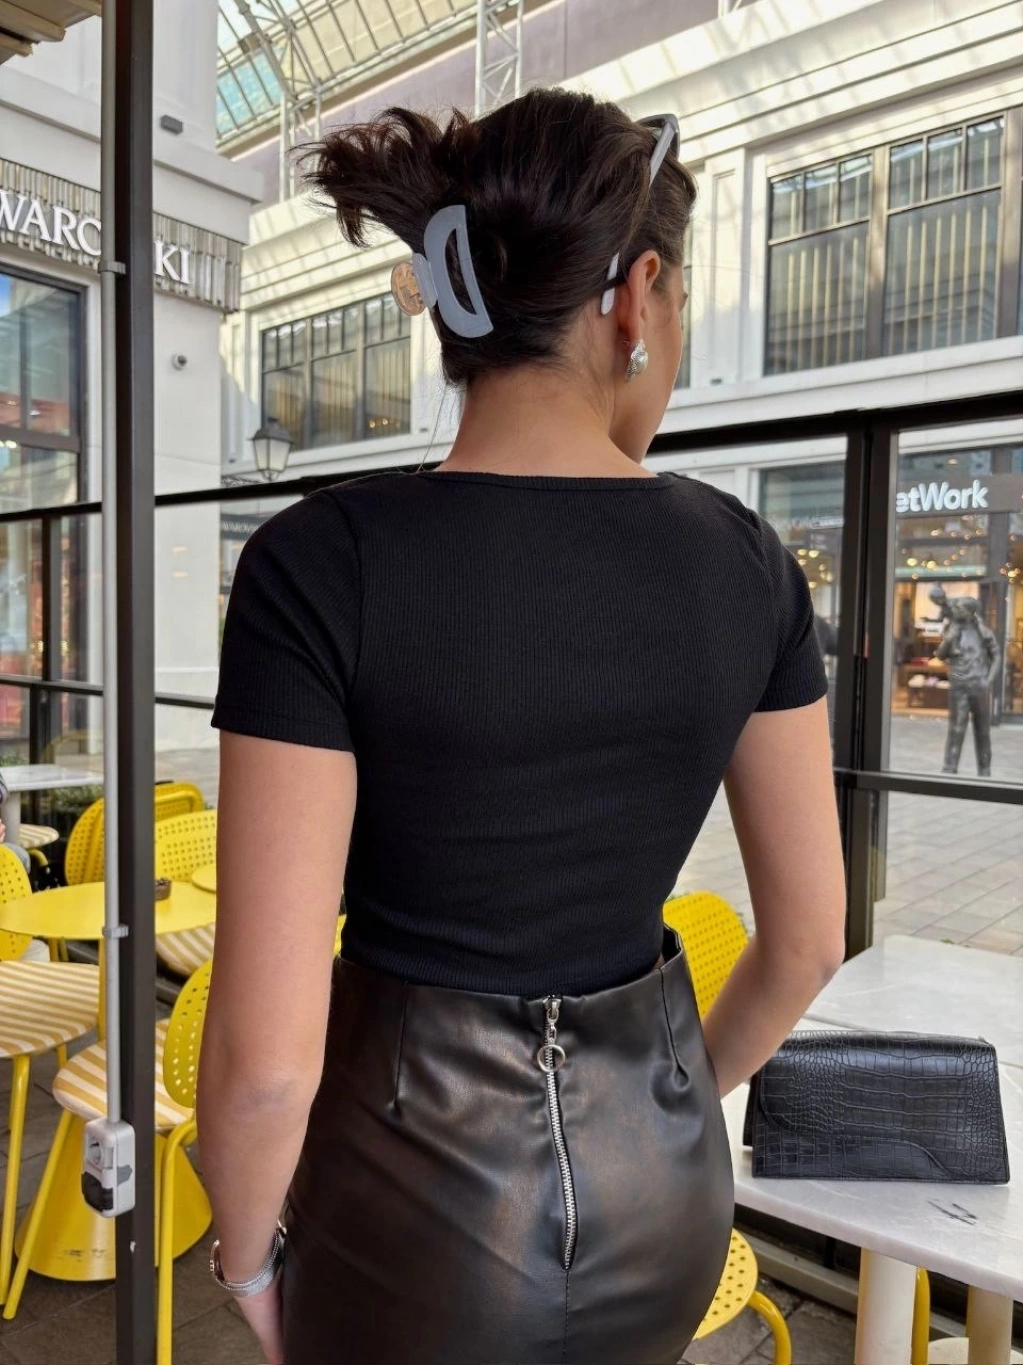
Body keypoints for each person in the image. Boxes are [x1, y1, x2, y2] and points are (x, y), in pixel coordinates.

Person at [198, 89, 847, 1365]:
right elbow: (809, 943)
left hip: (405, 1225)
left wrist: (248, 1261)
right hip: (663, 1200)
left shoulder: (318, 565)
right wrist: (654, 1120)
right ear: (635, 297)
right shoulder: (748, 563)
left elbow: (269, 1061)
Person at [930, 588, 1001, 776]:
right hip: (959, 685)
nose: (955, 610)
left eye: (960, 608)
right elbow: (940, 655)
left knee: (982, 730)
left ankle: (984, 770)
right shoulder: (952, 630)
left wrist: (989, 679)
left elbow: (996, 655)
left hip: (980, 685)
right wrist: (948, 640)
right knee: (956, 728)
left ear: (970, 611)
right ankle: (949, 768)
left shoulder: (983, 632)